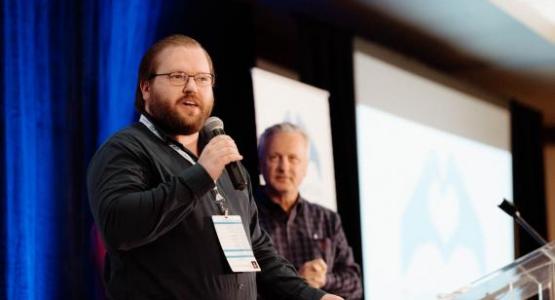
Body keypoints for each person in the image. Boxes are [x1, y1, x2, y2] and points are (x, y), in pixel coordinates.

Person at [87, 34, 343, 300]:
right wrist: (200, 175)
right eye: (177, 76)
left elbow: (256, 248)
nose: (191, 87)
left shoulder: (222, 160)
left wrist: (314, 296)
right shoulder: (126, 149)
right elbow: (119, 226)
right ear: (146, 88)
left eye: (202, 78)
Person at [256, 123, 363, 300]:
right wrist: (296, 283)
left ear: (305, 167)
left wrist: (324, 280)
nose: (284, 167)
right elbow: (241, 286)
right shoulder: (245, 214)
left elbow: (355, 284)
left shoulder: (327, 219)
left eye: (293, 159)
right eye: (275, 157)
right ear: (260, 163)